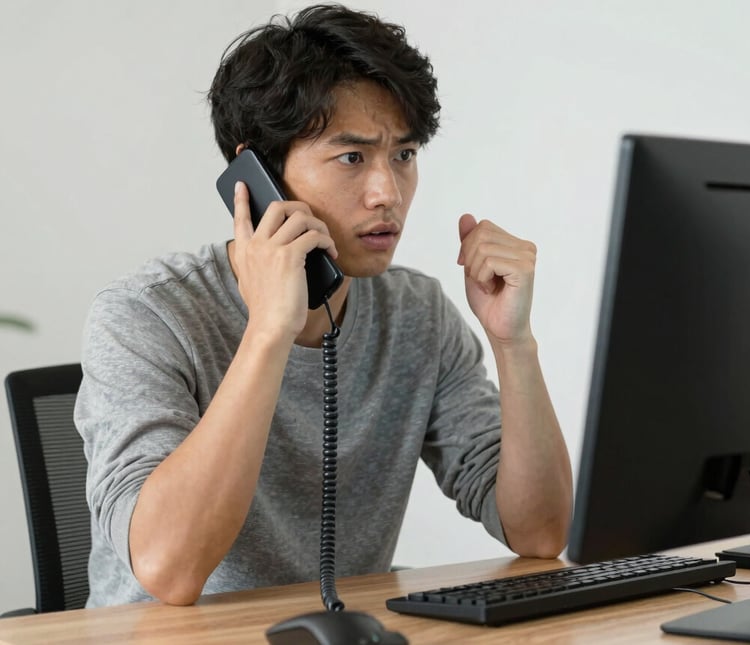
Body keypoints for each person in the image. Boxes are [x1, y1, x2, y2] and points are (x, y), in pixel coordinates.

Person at [75, 3, 573, 608]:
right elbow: (168, 569)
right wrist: (269, 330)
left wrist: (513, 344)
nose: (386, 192)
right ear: (255, 176)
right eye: (352, 157)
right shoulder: (146, 316)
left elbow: (540, 533)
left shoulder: (417, 312)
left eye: (404, 155)